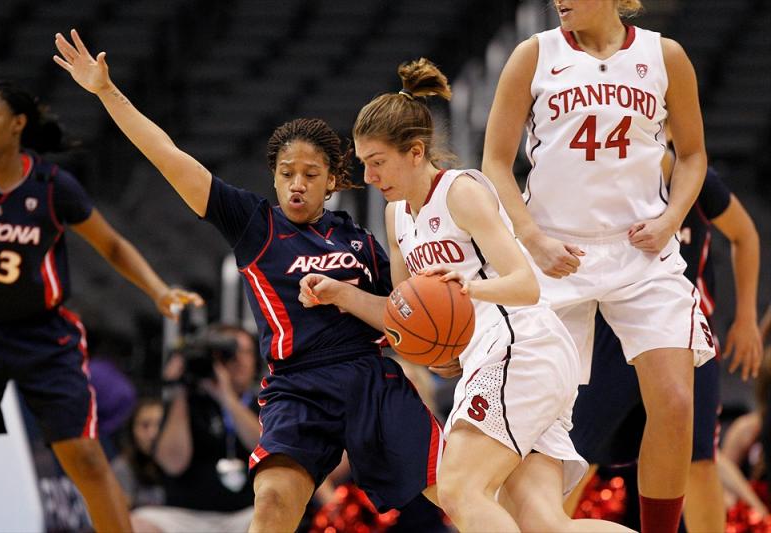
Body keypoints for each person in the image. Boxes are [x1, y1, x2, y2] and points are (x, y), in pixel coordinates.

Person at [54, 29, 444, 533]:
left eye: (310, 173)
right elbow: (169, 156)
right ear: (274, 178)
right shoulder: (253, 223)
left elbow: (408, 312)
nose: (297, 183)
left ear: (332, 180)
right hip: (297, 385)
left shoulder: (364, 241)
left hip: (368, 375)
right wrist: (108, 92)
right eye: (287, 173)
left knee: (448, 495)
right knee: (274, 501)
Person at [299, 58, 631, 532]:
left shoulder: (461, 192)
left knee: (458, 488)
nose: (369, 177)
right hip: (504, 360)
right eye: (363, 164)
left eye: (377, 163)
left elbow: (526, 283)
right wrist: (342, 295)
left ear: (415, 152)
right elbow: (404, 313)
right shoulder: (398, 218)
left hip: (521, 346)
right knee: (542, 523)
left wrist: (468, 290)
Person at [481, 1, 716, 531]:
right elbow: (495, 160)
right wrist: (532, 239)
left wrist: (671, 217)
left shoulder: (664, 55)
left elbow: (695, 156)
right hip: (554, 252)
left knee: (677, 403)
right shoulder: (534, 54)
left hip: (641, 249)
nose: (560, 0)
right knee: (536, 416)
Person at [0, 80, 201, 532]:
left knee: (89, 463)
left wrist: (157, 291)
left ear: (18, 124)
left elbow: (112, 246)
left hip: (42, 336)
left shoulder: (54, 186)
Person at [566, 140, 763, 532]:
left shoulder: (698, 178)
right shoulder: (607, 173)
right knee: (577, 453)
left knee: (700, 459)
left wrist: (745, 318)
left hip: (687, 329)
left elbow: (745, 236)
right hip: (616, 327)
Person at [130, 325, 260, 532]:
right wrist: (179, 390)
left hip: (244, 515)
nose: (239, 361)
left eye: (246, 352)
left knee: (275, 518)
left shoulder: (262, 403)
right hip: (186, 517)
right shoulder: (187, 403)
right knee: (138, 522)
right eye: (230, 353)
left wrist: (226, 396)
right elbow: (173, 463)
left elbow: (263, 446)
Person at [111, 397, 166, 509]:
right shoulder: (122, 467)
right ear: (132, 430)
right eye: (145, 425)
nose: (153, 434)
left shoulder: (180, 466)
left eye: (160, 425)